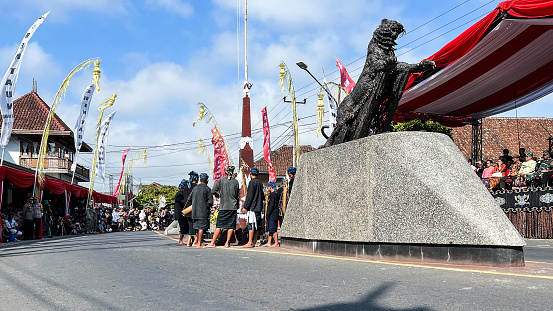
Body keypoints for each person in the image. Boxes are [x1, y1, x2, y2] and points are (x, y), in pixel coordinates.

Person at [207, 165, 240, 248]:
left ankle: (213, 242)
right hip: (233, 206)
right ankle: (227, 243)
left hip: (224, 207)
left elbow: (213, 191)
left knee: (219, 225)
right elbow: (237, 195)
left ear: (225, 172)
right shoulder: (236, 182)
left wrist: (218, 195)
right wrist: (237, 206)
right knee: (231, 226)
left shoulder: (221, 181)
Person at [186, 173, 213, 248]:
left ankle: (197, 242)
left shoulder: (195, 188)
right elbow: (210, 201)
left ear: (200, 179)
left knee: (197, 228)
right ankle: (199, 243)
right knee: (201, 228)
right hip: (203, 211)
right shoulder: (207, 189)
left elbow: (189, 199)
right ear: (207, 180)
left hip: (195, 211)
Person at [242, 167, 265, 248]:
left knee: (251, 224)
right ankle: (255, 241)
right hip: (259, 207)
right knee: (257, 225)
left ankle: (250, 242)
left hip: (252, 207)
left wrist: (245, 207)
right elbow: (262, 196)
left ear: (251, 174)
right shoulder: (260, 183)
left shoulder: (252, 183)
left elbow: (250, 196)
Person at [263, 181, 280, 247]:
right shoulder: (273, 194)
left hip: (273, 214)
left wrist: (267, 213)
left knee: (273, 229)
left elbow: (271, 205)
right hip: (272, 214)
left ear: (270, 187)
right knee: (270, 229)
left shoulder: (273, 195)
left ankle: (276, 242)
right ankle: (269, 242)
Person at [174, 179, 190, 245]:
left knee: (185, 227)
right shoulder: (179, 194)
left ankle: (184, 240)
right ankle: (180, 240)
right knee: (182, 227)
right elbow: (182, 202)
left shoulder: (183, 194)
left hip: (183, 213)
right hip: (180, 214)